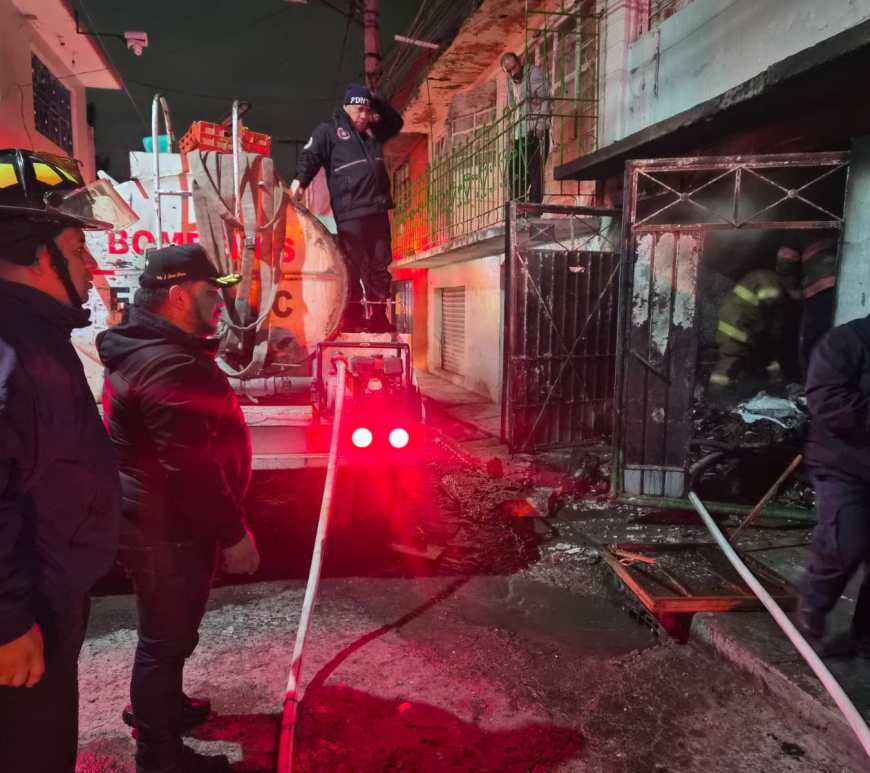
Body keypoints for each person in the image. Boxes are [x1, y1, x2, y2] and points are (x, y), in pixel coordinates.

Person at [97, 244, 261, 773]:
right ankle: (159, 754)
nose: (220, 303)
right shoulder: (166, 362)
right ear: (177, 294)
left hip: (157, 521)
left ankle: (161, 707)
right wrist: (234, 533)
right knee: (166, 640)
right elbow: (188, 465)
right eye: (212, 292)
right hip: (166, 528)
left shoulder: (154, 348)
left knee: (169, 634)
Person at [0, 149, 126, 773]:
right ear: (32, 251)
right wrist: (8, 623)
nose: (90, 264)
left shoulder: (34, 336)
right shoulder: (9, 349)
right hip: (25, 620)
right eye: (78, 249)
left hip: (48, 597)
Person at [292, 83, 404, 334]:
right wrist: (300, 182)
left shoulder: (374, 132)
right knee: (353, 266)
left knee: (379, 265)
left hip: (377, 210)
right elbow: (311, 155)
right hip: (350, 213)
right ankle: (352, 315)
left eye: (367, 110)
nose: (363, 116)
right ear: (346, 107)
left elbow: (396, 123)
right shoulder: (329, 132)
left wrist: (376, 99)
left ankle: (377, 315)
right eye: (358, 110)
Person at [797, 313, 870, 658]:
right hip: (844, 465)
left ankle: (865, 637)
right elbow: (825, 398)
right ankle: (815, 602)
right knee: (847, 543)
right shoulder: (847, 341)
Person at [709, 268, 791, 393]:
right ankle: (716, 393)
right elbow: (770, 306)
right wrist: (772, 332)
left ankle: (719, 391)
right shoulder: (771, 281)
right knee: (732, 355)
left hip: (735, 321)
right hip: (740, 323)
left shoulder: (762, 276)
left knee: (733, 355)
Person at [776, 234, 838, 373]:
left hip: (820, 288)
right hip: (854, 285)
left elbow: (785, 259)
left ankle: (815, 378)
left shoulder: (800, 220)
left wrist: (793, 290)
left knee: (816, 338)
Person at [501, 51, 551, 204]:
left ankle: (534, 205)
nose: (512, 72)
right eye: (508, 71)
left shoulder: (533, 73)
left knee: (533, 169)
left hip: (534, 129)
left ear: (520, 62)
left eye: (514, 68)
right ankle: (519, 205)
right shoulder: (510, 82)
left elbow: (545, 100)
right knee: (513, 171)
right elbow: (511, 105)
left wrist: (541, 125)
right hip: (519, 132)